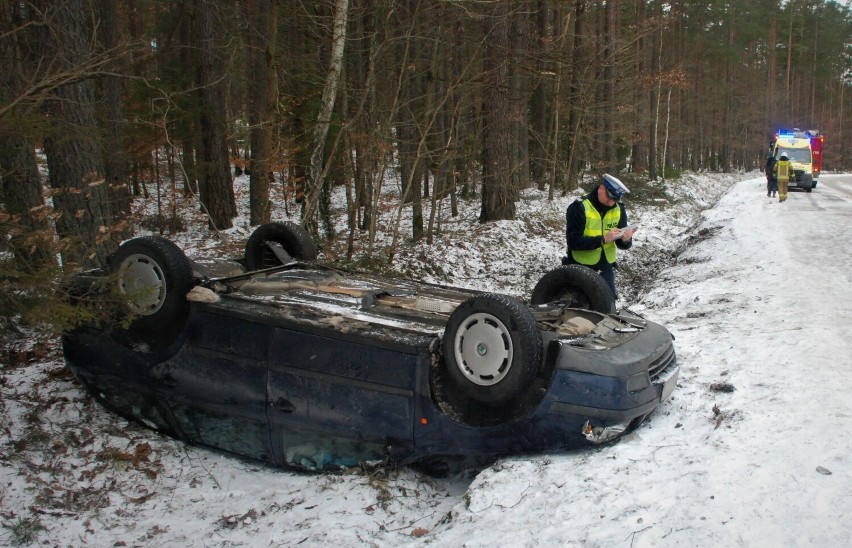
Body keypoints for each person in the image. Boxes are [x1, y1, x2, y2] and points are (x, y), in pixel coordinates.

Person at [564, 173, 637, 300]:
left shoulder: (619, 208)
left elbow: (621, 244)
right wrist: (602, 239)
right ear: (601, 188)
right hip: (581, 265)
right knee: (581, 304)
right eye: (609, 197)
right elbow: (573, 242)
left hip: (605, 266)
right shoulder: (579, 207)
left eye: (615, 199)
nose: (611, 202)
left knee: (608, 304)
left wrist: (626, 240)